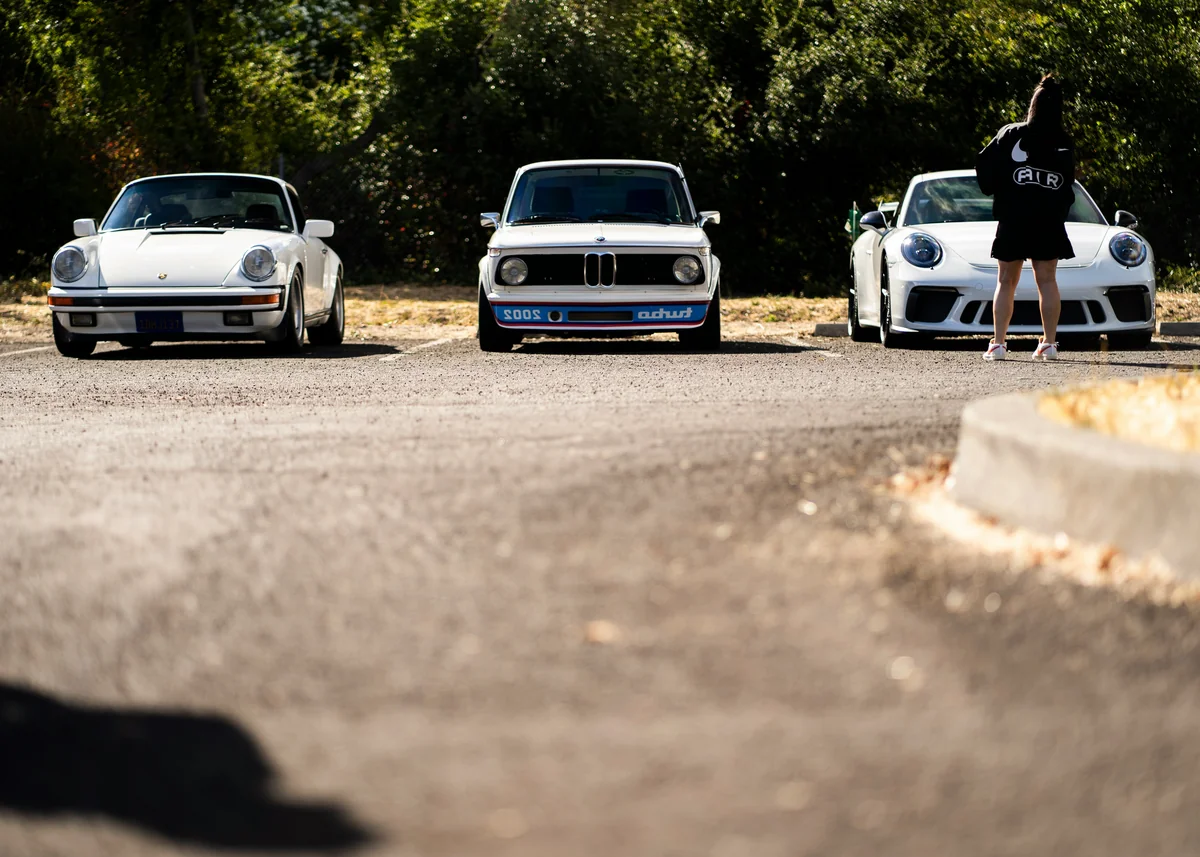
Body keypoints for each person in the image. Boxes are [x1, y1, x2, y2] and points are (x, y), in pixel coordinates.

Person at [975, 74, 1076, 361]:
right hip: (1048, 220)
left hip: (1013, 217)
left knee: (1005, 281)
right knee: (1048, 280)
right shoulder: (1064, 141)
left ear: (1032, 106)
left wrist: (1000, 190)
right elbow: (1067, 185)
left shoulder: (1010, 133)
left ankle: (998, 345)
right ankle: (1050, 344)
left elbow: (985, 166)